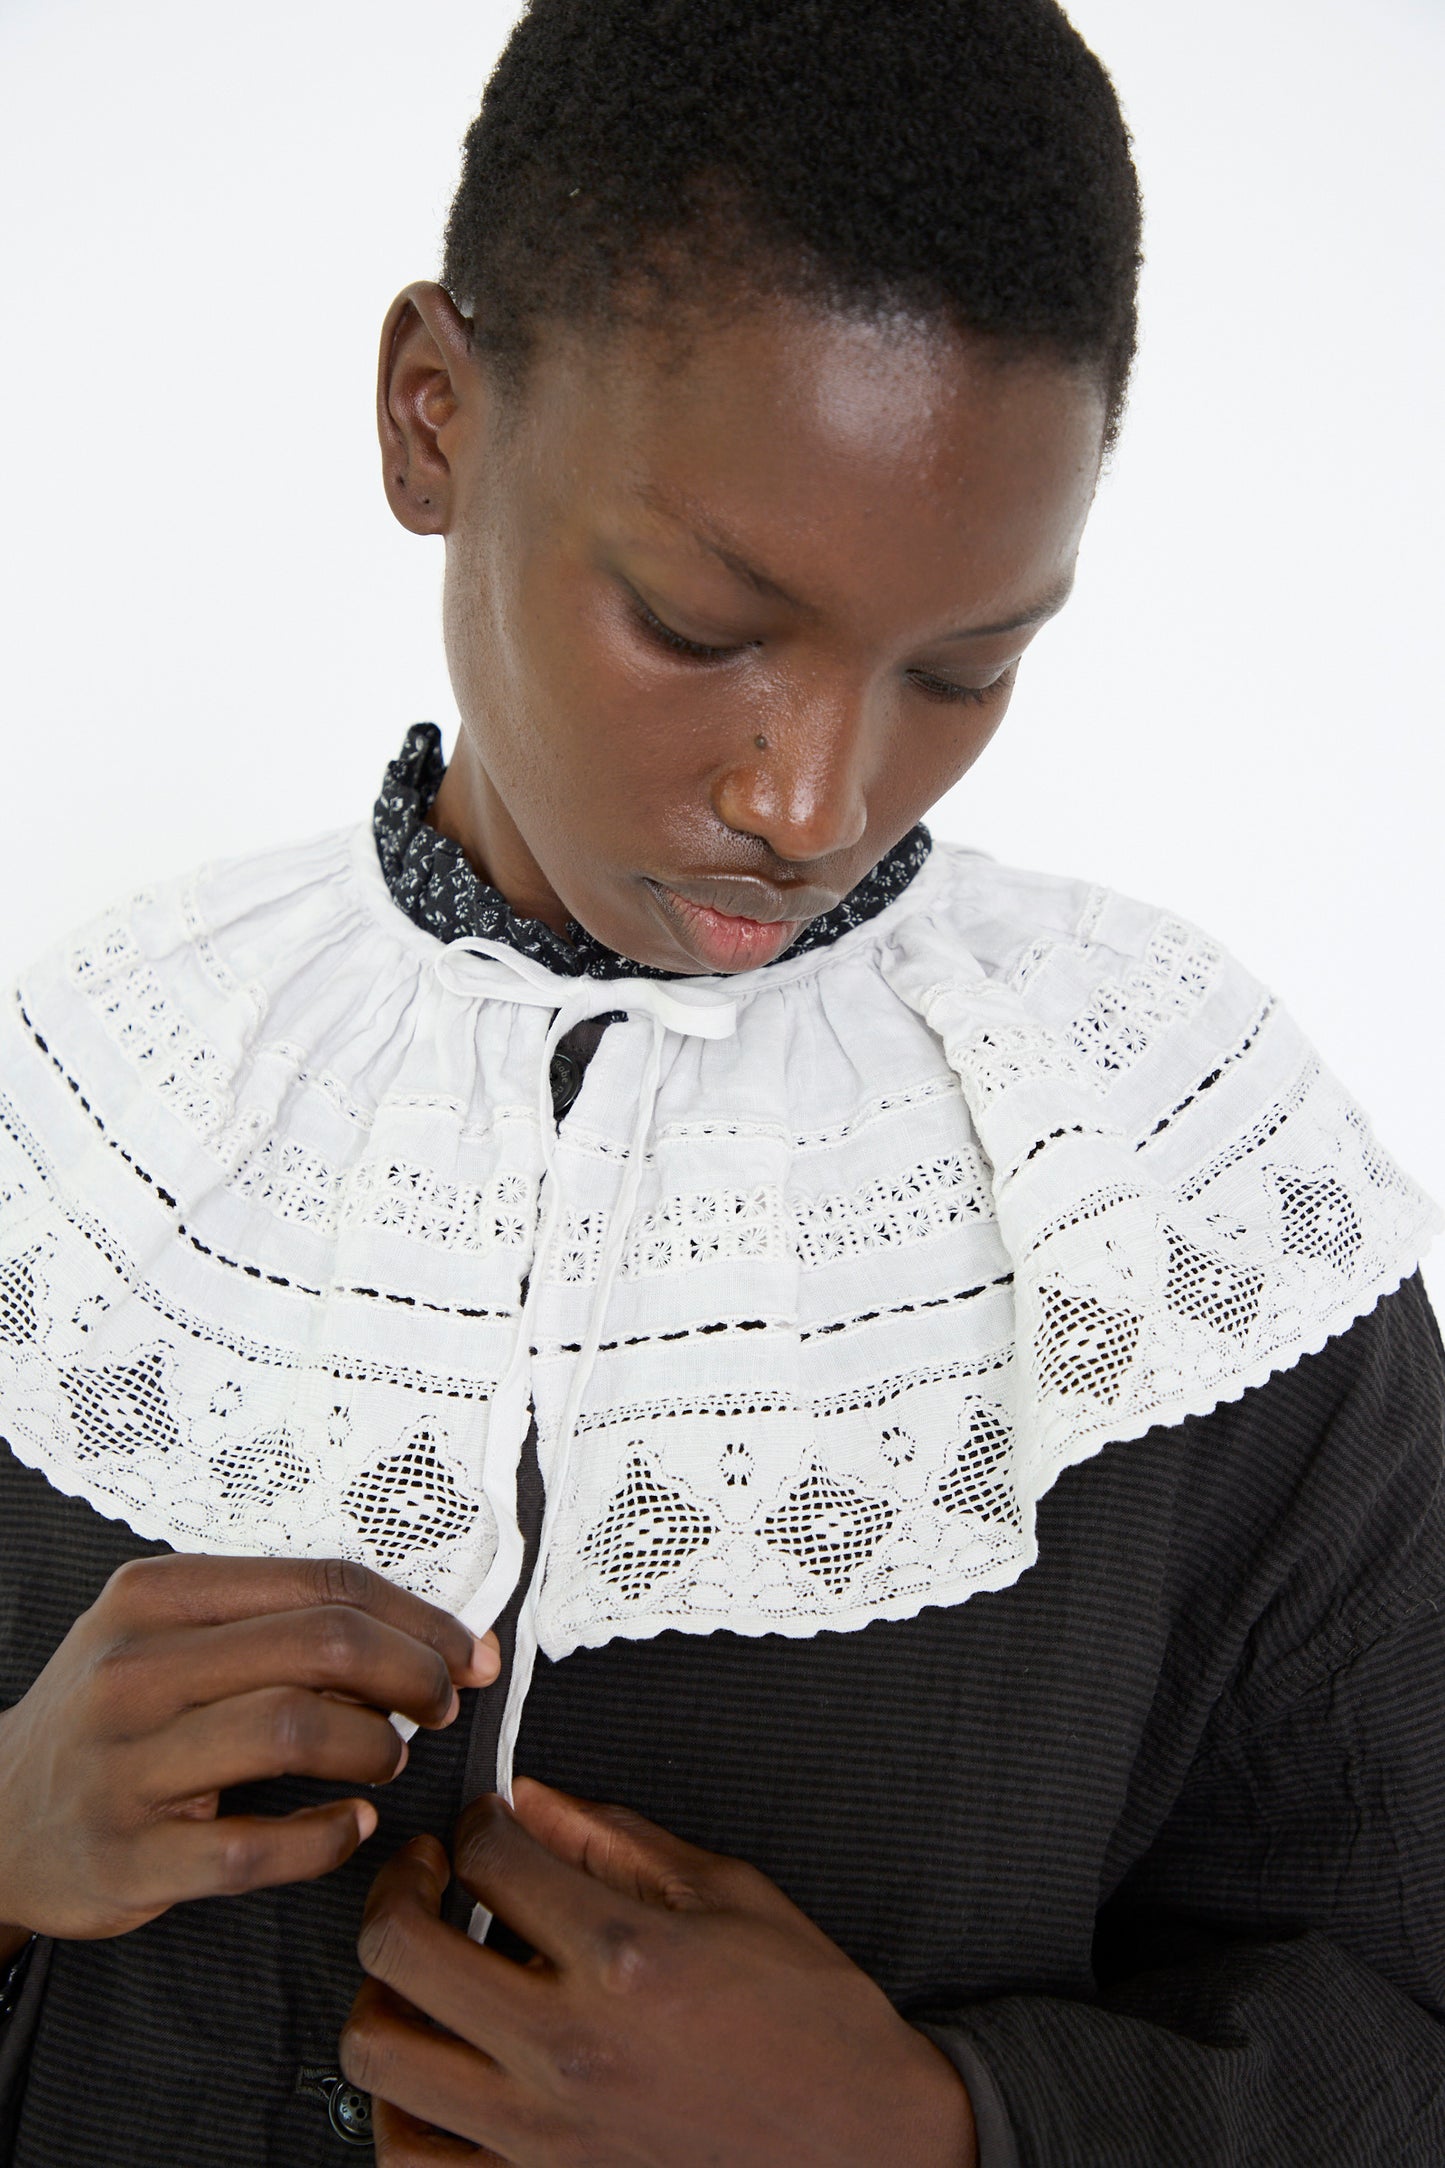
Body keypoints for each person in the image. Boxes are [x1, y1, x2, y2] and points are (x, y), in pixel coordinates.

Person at [0, 0, 1441, 2160]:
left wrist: (950, 2133)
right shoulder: (91, 1093)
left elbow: (1403, 2011)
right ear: (433, 420)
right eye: (696, 621)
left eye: (965, 667)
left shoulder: (1186, 1178)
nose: (812, 790)